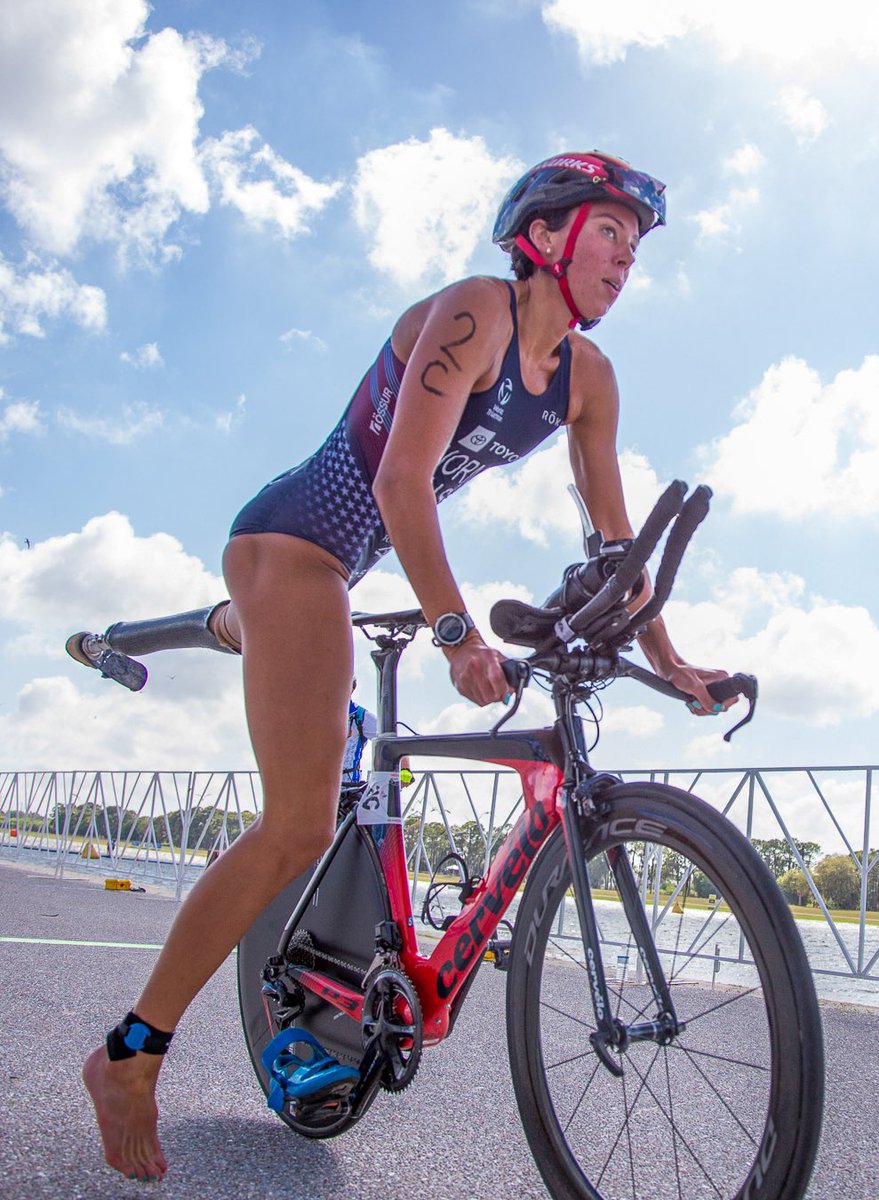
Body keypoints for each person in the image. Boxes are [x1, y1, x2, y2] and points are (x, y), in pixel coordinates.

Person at [81, 150, 736, 1183]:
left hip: (350, 573)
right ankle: (130, 1056)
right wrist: (453, 630)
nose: (626, 258)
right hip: (298, 547)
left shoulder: (590, 380)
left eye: (637, 242)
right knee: (297, 821)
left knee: (336, 730)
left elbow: (620, 549)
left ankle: (227, 628)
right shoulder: (474, 313)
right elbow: (400, 480)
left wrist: (672, 657)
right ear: (549, 233)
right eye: (609, 231)